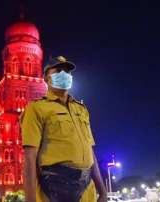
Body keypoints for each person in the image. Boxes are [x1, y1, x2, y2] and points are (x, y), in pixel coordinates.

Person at [20, 56, 107, 202]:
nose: (64, 75)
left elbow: (90, 151)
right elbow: (30, 159)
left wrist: (103, 192)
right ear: (47, 78)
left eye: (67, 71)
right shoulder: (36, 108)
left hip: (86, 189)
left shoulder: (81, 109)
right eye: (58, 70)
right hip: (55, 189)